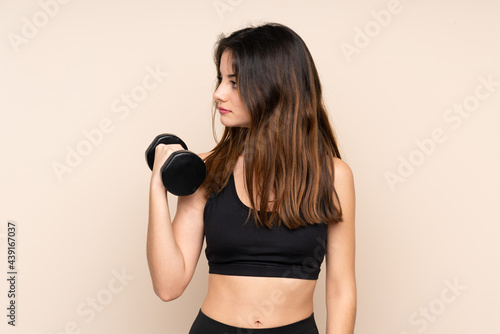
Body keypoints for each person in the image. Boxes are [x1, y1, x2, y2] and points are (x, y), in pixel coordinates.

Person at [146, 22, 356, 334]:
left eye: (234, 82)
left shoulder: (333, 176)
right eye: (220, 79)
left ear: (275, 86)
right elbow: (168, 286)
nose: (218, 93)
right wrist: (158, 188)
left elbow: (341, 290)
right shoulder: (206, 171)